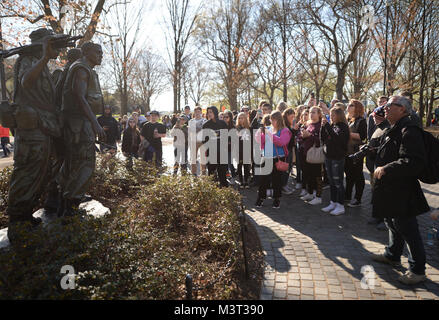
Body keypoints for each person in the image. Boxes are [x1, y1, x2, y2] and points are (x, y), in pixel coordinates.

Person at [7, 28, 63, 242]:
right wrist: (44, 58)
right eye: (52, 45)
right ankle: (17, 222)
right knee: (26, 172)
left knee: (38, 172)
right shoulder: (26, 60)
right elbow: (26, 82)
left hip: (42, 126)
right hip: (30, 130)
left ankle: (25, 215)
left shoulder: (42, 64)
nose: (56, 50)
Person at [371, 95, 430, 285]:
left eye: (390, 106)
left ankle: (418, 270)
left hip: (402, 190)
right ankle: (392, 254)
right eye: (385, 106)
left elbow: (412, 161)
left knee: (407, 228)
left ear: (403, 109)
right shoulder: (395, 126)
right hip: (390, 188)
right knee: (391, 222)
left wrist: (386, 168)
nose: (385, 108)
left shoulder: (409, 129)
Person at [59, 41, 106, 217]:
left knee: (74, 164)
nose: (101, 55)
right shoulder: (81, 68)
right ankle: (70, 211)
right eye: (98, 52)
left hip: (78, 122)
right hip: (78, 124)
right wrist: (94, 122)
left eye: (102, 53)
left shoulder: (82, 68)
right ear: (86, 52)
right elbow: (79, 96)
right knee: (84, 164)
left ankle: (65, 208)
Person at [255, 110, 292, 209]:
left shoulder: (285, 130)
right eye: (271, 119)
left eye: (273, 119)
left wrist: (269, 134)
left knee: (277, 180)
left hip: (278, 159)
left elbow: (281, 142)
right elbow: (258, 140)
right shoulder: (268, 128)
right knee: (263, 180)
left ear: (279, 120)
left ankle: (277, 199)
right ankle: (261, 198)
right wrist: (260, 133)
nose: (271, 121)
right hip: (266, 157)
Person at [363, 105, 390, 229]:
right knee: (376, 193)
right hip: (374, 165)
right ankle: (377, 215)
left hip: (382, 167)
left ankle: (385, 219)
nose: (373, 119)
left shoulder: (387, 128)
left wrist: (373, 150)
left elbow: (386, 148)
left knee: (384, 194)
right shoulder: (378, 127)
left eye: (375, 117)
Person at [321, 106, 350, 215]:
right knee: (332, 182)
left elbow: (337, 139)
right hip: (328, 156)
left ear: (339, 115)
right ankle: (333, 202)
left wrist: (328, 127)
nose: (331, 117)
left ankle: (340, 205)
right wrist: (323, 127)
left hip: (337, 158)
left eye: (333, 115)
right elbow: (323, 138)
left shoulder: (343, 127)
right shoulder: (331, 125)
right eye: (330, 115)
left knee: (338, 182)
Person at [345, 99, 367, 207]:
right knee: (349, 176)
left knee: (358, 176)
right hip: (347, 152)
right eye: (348, 105)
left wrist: (347, 133)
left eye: (351, 105)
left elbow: (362, 136)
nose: (348, 107)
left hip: (356, 152)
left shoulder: (361, 121)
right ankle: (347, 196)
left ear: (357, 108)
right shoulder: (348, 119)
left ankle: (358, 198)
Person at [300, 106, 324, 205]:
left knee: (317, 176)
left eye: (314, 112)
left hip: (316, 154)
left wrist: (310, 136)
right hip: (307, 153)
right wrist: (303, 136)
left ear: (319, 114)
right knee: (309, 174)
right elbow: (304, 138)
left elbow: (321, 141)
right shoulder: (309, 124)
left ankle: (318, 196)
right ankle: (310, 193)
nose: (311, 114)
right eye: (310, 112)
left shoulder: (321, 125)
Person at [202, 106, 228, 187]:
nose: (209, 114)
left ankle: (225, 190)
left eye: (211, 112)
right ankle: (212, 192)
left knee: (222, 172)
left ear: (215, 112)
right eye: (208, 112)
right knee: (211, 174)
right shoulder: (206, 125)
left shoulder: (222, 123)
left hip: (222, 152)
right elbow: (204, 140)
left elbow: (226, 137)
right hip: (211, 152)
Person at [281, 107, 296, 195]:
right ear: (286, 116)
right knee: (285, 168)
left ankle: (285, 184)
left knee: (289, 167)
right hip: (284, 151)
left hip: (290, 150)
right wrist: (294, 130)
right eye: (291, 117)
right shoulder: (284, 126)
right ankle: (283, 186)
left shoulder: (290, 125)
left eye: (294, 116)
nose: (293, 118)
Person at [188, 106, 207, 176]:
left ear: (201, 112)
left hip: (202, 141)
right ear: (194, 112)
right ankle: (194, 172)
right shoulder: (191, 121)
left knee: (203, 158)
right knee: (193, 158)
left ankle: (203, 172)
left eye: (199, 112)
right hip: (193, 141)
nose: (197, 113)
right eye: (196, 112)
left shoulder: (204, 120)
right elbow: (190, 131)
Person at [296, 108, 310, 196]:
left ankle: (310, 190)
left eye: (307, 114)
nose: (305, 116)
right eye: (304, 114)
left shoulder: (311, 126)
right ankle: (304, 188)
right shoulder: (300, 125)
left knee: (309, 171)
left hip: (309, 151)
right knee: (303, 170)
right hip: (300, 150)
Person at [236, 112, 251, 188]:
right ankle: (241, 181)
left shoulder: (249, 128)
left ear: (245, 119)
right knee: (239, 166)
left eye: (242, 118)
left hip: (247, 150)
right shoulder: (236, 128)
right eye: (239, 118)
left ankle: (246, 181)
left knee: (246, 166)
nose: (240, 119)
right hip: (239, 151)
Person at [223, 110, 237, 182]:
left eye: (227, 117)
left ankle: (234, 176)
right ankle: (227, 175)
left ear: (230, 117)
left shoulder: (233, 127)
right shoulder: (221, 125)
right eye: (223, 117)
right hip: (222, 147)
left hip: (230, 147)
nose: (225, 118)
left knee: (229, 162)